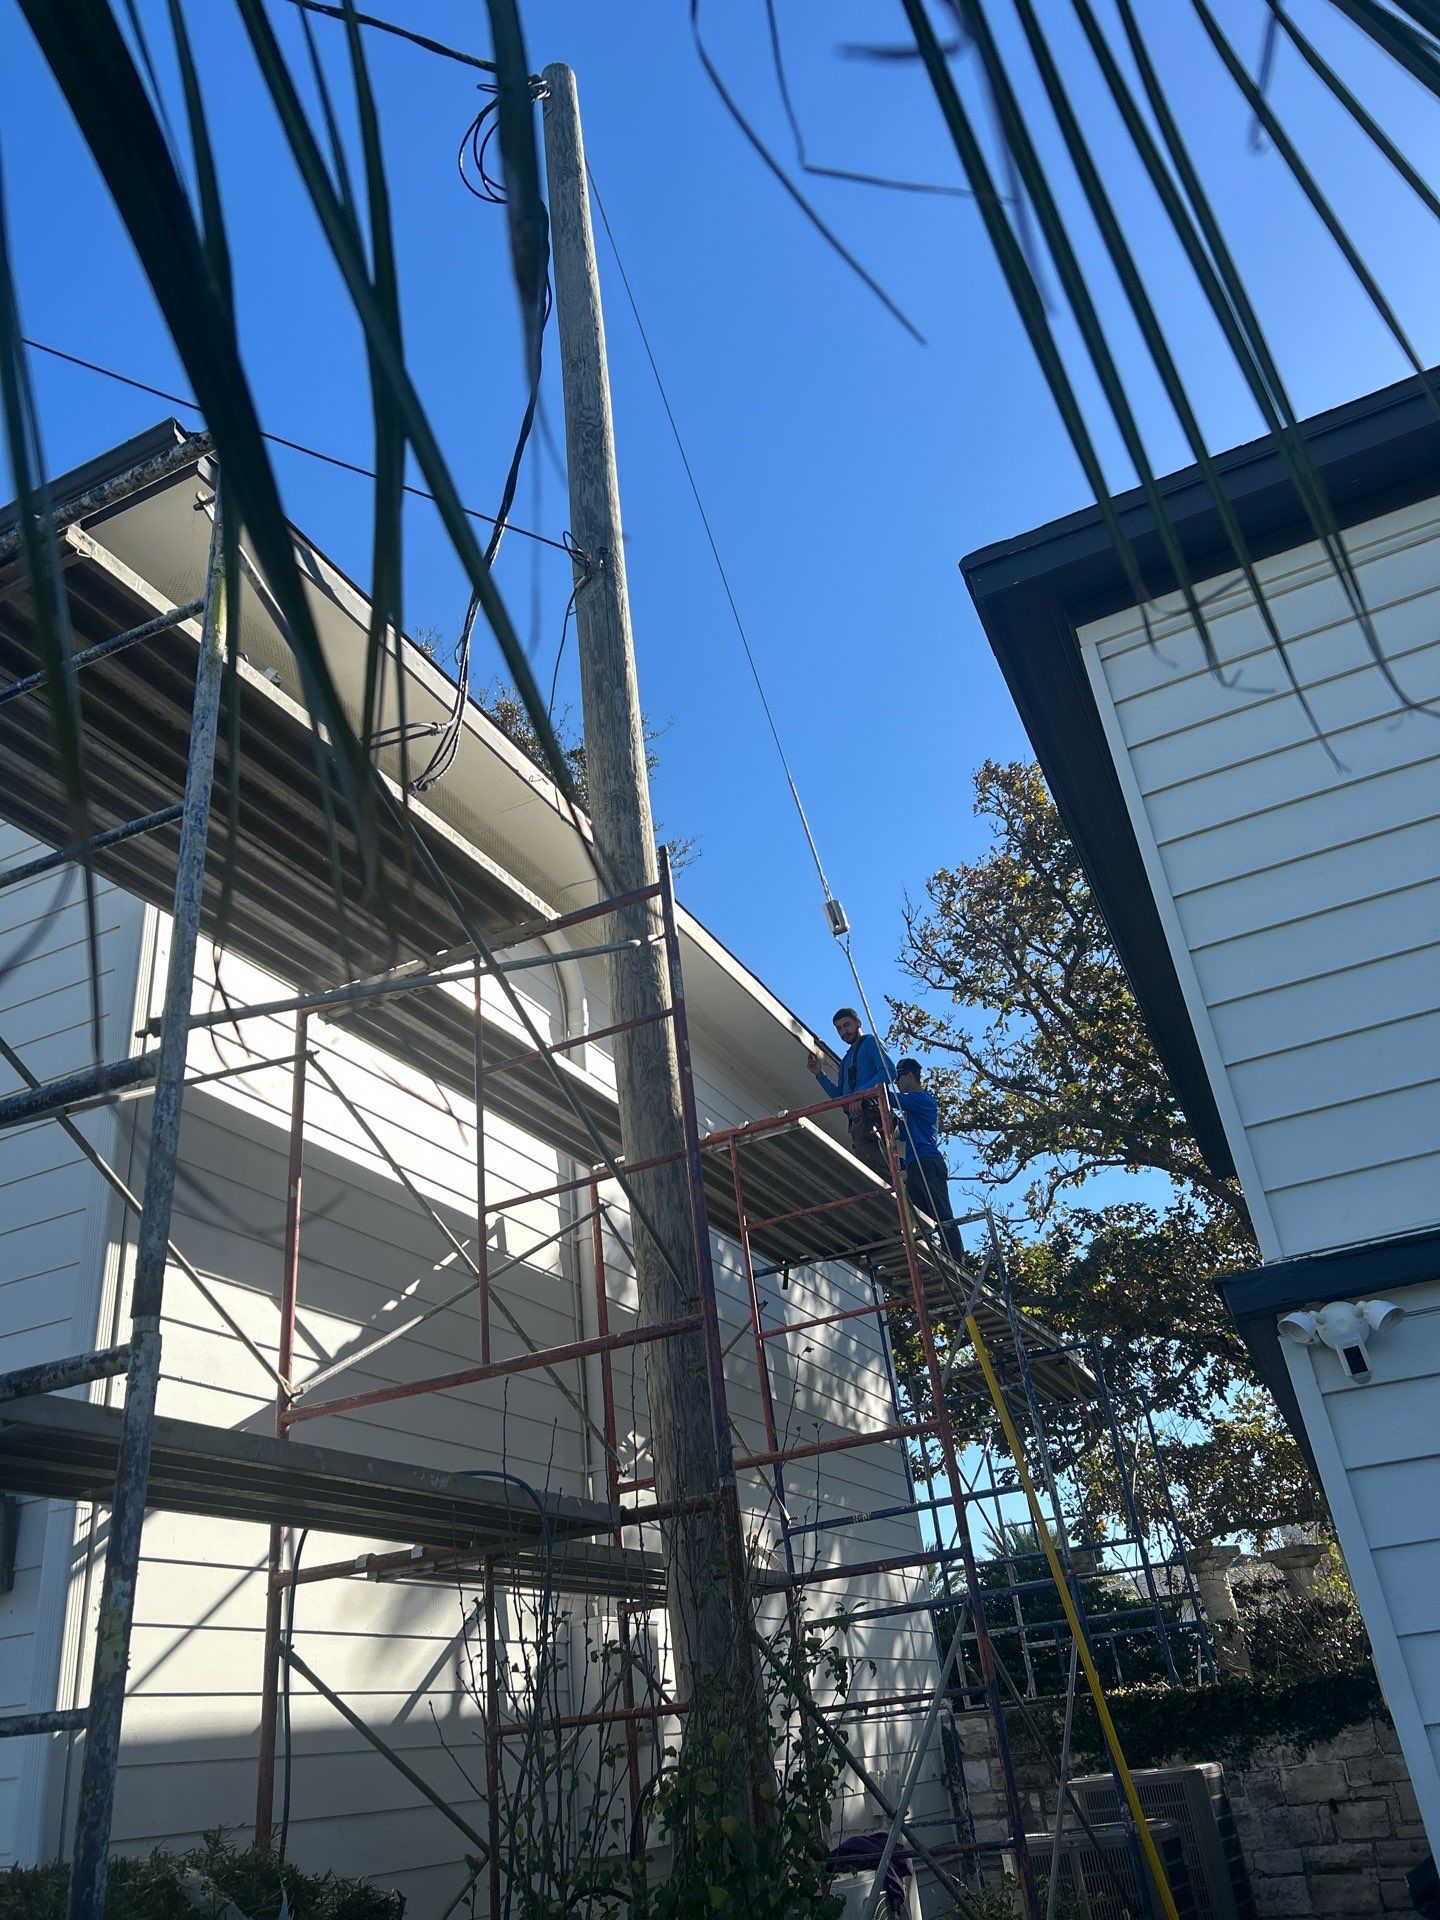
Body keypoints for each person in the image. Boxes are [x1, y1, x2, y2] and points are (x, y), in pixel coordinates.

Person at [807, 1006, 893, 1176]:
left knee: (880, 1173)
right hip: (857, 1124)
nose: (843, 1031)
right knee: (870, 1173)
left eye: (847, 1025)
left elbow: (889, 1071)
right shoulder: (846, 1060)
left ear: (858, 1023)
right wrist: (819, 1074)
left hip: (872, 1118)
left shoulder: (870, 1042)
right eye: (839, 1028)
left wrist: (860, 1095)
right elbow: (840, 1098)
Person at [893, 1058, 964, 1262]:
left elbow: (890, 1098)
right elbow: (902, 1134)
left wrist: (874, 1087)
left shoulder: (923, 1099)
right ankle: (931, 1255)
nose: (897, 1082)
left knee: (941, 1213)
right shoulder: (911, 1110)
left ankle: (957, 1259)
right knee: (921, 1216)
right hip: (915, 1164)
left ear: (908, 1075)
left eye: (898, 1078)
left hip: (927, 1162)